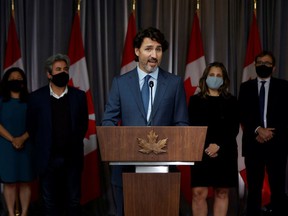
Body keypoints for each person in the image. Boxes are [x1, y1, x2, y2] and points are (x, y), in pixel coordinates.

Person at [101, 27, 189, 216]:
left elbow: (182, 124)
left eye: (158, 49)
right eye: (148, 48)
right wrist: (122, 143)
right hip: (125, 167)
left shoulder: (174, 83)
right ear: (136, 51)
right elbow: (108, 120)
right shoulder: (120, 83)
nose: (154, 55)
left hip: (163, 168)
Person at [26, 53, 88, 216]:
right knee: (49, 201)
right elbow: (32, 128)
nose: (63, 72)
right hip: (48, 159)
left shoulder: (79, 96)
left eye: (65, 69)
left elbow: (83, 125)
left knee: (73, 200)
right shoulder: (36, 98)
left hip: (72, 157)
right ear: (49, 74)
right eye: (58, 69)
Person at [238, 51, 288, 216]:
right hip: (254, 143)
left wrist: (270, 133)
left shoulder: (284, 86)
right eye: (260, 62)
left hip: (277, 144)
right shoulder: (245, 87)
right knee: (254, 188)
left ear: (273, 67)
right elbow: (243, 113)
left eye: (267, 63)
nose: (263, 65)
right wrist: (258, 130)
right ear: (254, 65)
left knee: (278, 187)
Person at [188, 62, 239, 216]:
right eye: (212, 75)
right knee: (198, 192)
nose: (215, 78)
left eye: (219, 76)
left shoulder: (231, 101)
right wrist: (207, 146)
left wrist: (218, 146)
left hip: (225, 151)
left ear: (224, 80)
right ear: (205, 77)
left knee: (222, 192)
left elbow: (233, 128)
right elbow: (193, 126)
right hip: (200, 150)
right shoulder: (195, 101)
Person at [0, 67, 35, 216]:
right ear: (6, 82)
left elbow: (36, 123)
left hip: (27, 145)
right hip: (6, 146)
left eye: (19, 78)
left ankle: (25, 212)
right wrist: (13, 139)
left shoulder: (31, 101)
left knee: (26, 181)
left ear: (23, 83)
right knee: (9, 182)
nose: (15, 80)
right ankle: (10, 212)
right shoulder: (1, 101)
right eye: (12, 78)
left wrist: (22, 138)